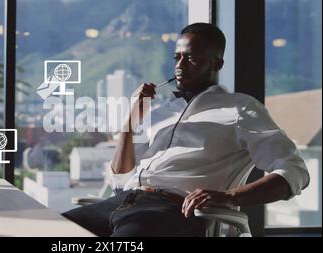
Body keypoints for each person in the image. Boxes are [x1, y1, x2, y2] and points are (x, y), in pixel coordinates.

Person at [61, 23, 310, 237]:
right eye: (177, 57)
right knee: (39, 229)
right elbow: (120, 180)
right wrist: (130, 121)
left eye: (191, 58)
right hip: (123, 202)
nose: (180, 65)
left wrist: (230, 197)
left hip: (170, 212)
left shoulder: (240, 108)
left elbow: (294, 172)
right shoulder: (160, 112)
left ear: (217, 63)